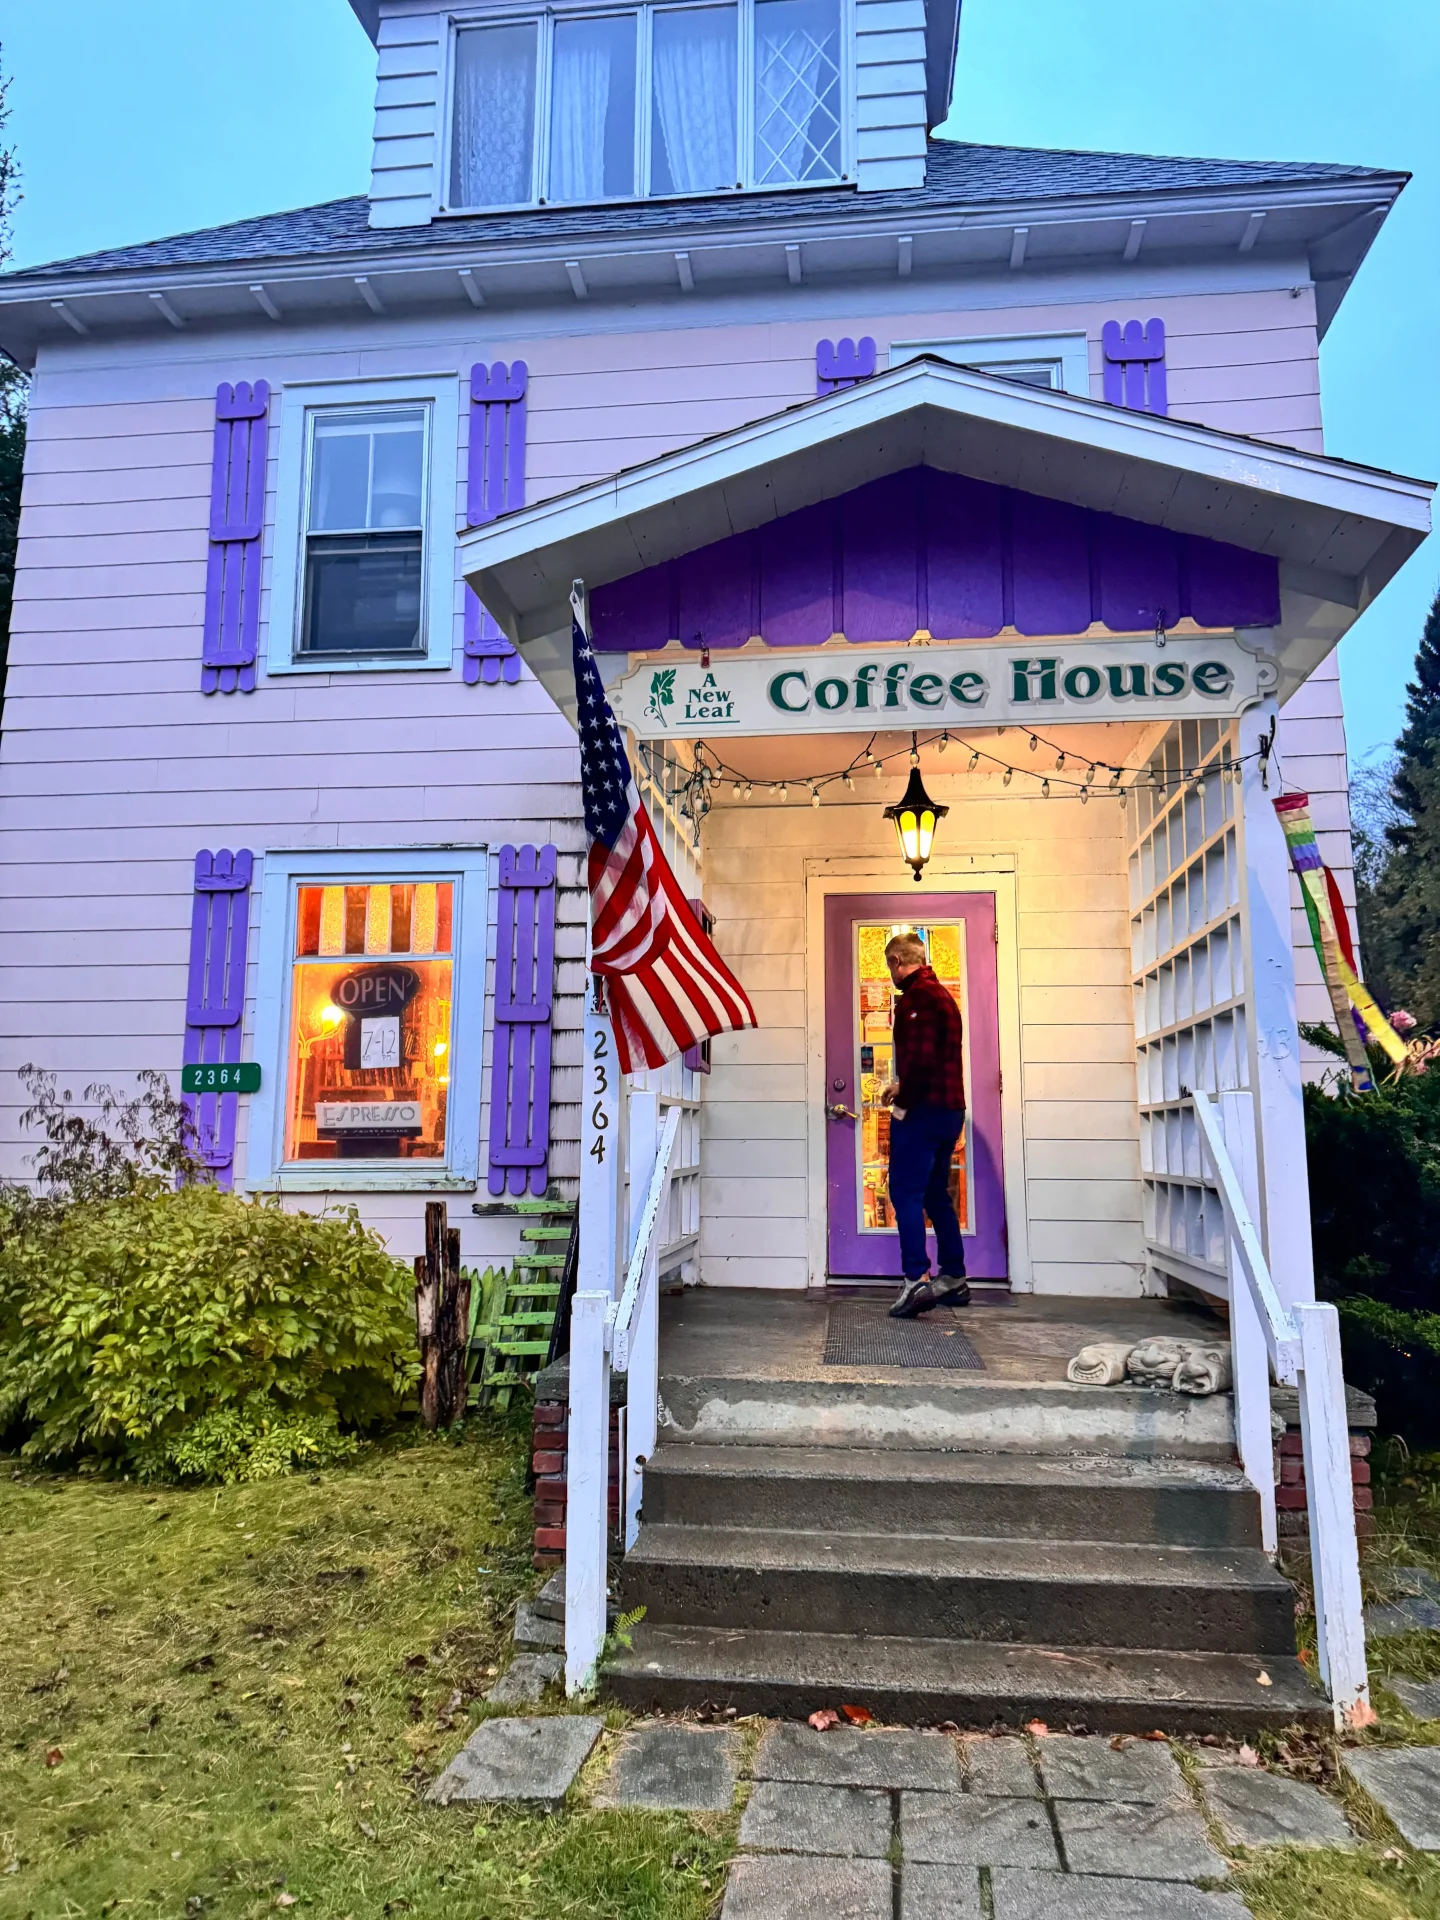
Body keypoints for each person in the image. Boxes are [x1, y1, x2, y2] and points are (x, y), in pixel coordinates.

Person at [879, 930, 970, 1318]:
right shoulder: (944, 997)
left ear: (898, 962)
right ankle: (954, 1277)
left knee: (904, 1191)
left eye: (890, 968)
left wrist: (901, 1098)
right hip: (950, 1110)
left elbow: (920, 1062)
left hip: (924, 1111)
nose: (890, 975)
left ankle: (916, 1278)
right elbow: (933, 1059)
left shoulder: (916, 1000)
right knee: (935, 1193)